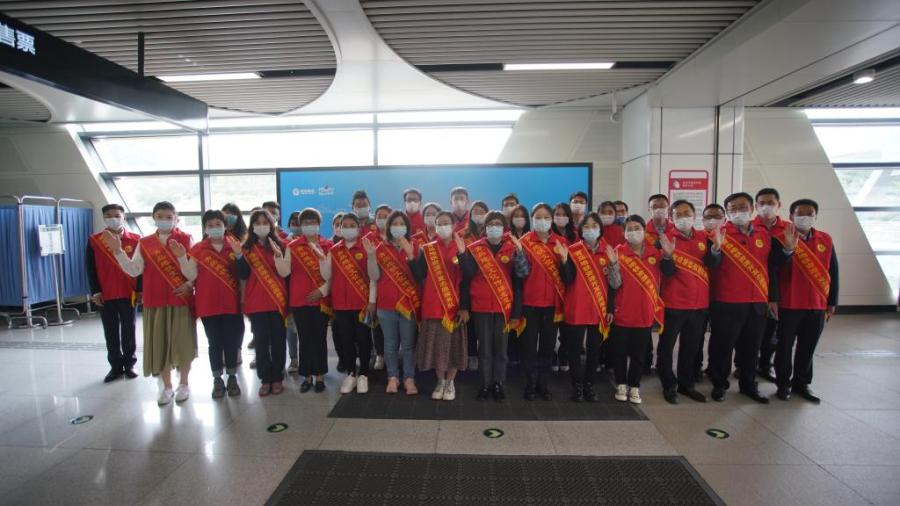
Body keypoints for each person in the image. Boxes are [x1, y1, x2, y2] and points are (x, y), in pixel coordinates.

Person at [707, 192, 797, 403]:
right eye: (733, 209)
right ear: (727, 212)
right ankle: (719, 384)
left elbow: (772, 267)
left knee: (751, 348)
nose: (738, 212)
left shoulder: (764, 235)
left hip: (757, 303)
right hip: (727, 302)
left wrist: (787, 250)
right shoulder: (717, 234)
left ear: (752, 209)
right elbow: (710, 264)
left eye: (742, 207)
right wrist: (716, 249)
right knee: (723, 348)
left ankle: (748, 385)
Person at [106, 201, 196, 406]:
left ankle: (184, 383)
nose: (164, 220)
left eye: (169, 217)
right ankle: (167, 386)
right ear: (153, 218)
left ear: (176, 219)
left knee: (184, 343)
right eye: (160, 217)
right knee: (159, 344)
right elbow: (134, 270)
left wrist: (188, 279)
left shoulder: (186, 239)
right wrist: (118, 251)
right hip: (155, 301)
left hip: (180, 299)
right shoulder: (145, 243)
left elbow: (193, 272)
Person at [173, 210, 244, 398]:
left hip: (232, 303)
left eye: (218, 225)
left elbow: (244, 273)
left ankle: (232, 377)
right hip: (208, 304)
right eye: (210, 225)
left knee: (231, 342)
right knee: (214, 343)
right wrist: (182, 257)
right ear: (205, 228)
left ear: (225, 226)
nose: (214, 228)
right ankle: (217, 379)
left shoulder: (235, 246)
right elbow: (191, 275)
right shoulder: (198, 249)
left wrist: (239, 255)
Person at [774, 199, 838, 403]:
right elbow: (774, 267)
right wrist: (788, 249)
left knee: (808, 346)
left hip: (817, 304)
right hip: (789, 303)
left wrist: (832, 300)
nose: (805, 217)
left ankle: (802, 383)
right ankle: (783, 384)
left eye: (809, 214)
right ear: (791, 216)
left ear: (815, 216)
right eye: (800, 214)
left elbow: (833, 271)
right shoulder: (781, 237)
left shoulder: (825, 239)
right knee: (784, 347)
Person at [460, 211, 529, 401]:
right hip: (481, 306)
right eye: (490, 224)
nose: (494, 227)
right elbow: (467, 278)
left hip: (504, 306)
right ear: (485, 227)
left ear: (504, 227)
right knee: (484, 349)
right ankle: (485, 383)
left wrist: (520, 253)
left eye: (498, 224)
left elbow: (521, 275)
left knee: (501, 350)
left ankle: (498, 382)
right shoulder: (475, 248)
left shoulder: (512, 247)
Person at [656, 200, 719, 404]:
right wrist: (667, 257)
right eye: (678, 214)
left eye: (687, 213)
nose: (683, 217)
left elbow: (712, 264)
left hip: (699, 305)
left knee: (691, 348)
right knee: (666, 347)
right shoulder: (664, 239)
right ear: (671, 218)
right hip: (673, 304)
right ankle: (668, 384)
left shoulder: (704, 238)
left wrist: (716, 250)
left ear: (694, 215)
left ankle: (686, 384)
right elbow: (665, 272)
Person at [412, 211, 470, 401]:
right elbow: (419, 275)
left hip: (454, 307)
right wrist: (412, 257)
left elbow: (468, 278)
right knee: (437, 347)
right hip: (432, 306)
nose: (443, 226)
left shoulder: (462, 246)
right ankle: (440, 381)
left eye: (446, 223)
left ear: (454, 226)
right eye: (439, 223)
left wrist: (464, 307)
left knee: (454, 347)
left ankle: (450, 382)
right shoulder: (427, 249)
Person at [606, 215, 663, 405]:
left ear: (644, 231)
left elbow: (666, 275)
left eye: (637, 228)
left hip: (645, 312)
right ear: (624, 233)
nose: (633, 232)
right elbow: (614, 284)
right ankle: (621, 384)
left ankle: (635, 385)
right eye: (629, 229)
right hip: (622, 312)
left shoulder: (655, 254)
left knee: (639, 354)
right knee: (619, 352)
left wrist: (668, 256)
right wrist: (613, 264)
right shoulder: (618, 252)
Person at [366, 211, 421, 394]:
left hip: (409, 304)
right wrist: (371, 256)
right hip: (386, 304)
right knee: (390, 345)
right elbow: (374, 276)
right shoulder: (380, 248)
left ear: (407, 226)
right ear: (389, 227)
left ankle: (409, 378)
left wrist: (410, 254)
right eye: (394, 224)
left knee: (408, 345)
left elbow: (421, 276)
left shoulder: (416, 246)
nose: (398, 227)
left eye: (401, 223)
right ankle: (393, 377)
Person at [560, 212, 612, 402]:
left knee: (594, 350)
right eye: (586, 226)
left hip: (599, 308)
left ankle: (589, 383)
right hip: (577, 306)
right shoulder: (573, 251)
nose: (590, 229)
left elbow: (613, 285)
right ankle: (577, 385)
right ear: (581, 230)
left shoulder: (608, 251)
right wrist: (564, 261)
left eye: (594, 226)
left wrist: (610, 308)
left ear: (600, 229)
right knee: (574, 349)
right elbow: (567, 279)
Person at [237, 209, 290, 397]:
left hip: (277, 300)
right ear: (251, 226)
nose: (261, 226)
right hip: (256, 301)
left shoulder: (281, 245)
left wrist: (277, 255)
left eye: (265, 222)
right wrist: (243, 300)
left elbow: (286, 274)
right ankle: (265, 378)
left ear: (271, 224)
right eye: (257, 223)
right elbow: (243, 276)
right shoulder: (246, 249)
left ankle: (278, 377)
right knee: (260, 342)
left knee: (278, 341)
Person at [518, 203, 568, 400]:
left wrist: (564, 261)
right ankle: (530, 383)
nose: (542, 221)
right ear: (532, 219)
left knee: (547, 347)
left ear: (552, 220)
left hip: (552, 305)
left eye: (546, 217)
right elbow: (519, 275)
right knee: (529, 347)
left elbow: (568, 277)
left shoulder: (561, 242)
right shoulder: (524, 242)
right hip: (529, 303)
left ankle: (543, 384)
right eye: (538, 217)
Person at [87, 204, 141, 383]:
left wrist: (140, 290)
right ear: (103, 218)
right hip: (106, 293)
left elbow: (140, 268)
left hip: (128, 292)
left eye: (117, 215)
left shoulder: (135, 239)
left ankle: (130, 364)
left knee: (129, 329)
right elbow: (90, 268)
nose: (113, 219)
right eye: (109, 216)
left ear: (124, 217)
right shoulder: (95, 241)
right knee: (110, 331)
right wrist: (95, 291)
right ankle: (115, 367)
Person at [322, 213, 375, 395]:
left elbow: (373, 278)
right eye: (345, 225)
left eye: (352, 225)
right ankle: (351, 373)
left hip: (362, 303)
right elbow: (327, 276)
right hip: (341, 304)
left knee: (364, 339)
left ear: (359, 228)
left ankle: (364, 374)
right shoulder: (334, 250)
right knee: (346, 339)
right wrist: (322, 260)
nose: (348, 228)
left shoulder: (366, 247)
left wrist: (372, 301)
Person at [285, 208, 333, 393]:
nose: (309, 225)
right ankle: (306, 376)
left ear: (319, 224)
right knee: (304, 339)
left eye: (313, 222)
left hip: (321, 300)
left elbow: (333, 275)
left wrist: (321, 291)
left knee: (319, 338)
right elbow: (285, 272)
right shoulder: (292, 247)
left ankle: (319, 375)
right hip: (300, 300)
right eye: (305, 222)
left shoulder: (328, 245)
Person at [753, 188, 790, 382]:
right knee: (751, 334)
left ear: (779, 205)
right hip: (754, 291)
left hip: (784, 290)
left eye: (770, 203)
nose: (766, 207)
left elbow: (774, 264)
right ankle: (744, 366)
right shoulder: (751, 228)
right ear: (756, 206)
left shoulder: (789, 230)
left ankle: (765, 365)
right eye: (762, 203)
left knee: (773, 334)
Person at [695, 203, 726, 381]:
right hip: (700, 296)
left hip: (724, 295)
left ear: (724, 218)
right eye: (708, 217)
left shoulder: (731, 238)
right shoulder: (698, 238)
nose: (712, 220)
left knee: (720, 337)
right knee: (696, 337)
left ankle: (715, 371)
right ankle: (695, 368)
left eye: (717, 216)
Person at [461, 200, 489, 369]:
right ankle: (471, 354)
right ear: (470, 215)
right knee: (470, 324)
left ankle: (485, 355)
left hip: (488, 284)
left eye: (482, 211)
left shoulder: (492, 234)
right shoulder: (463, 235)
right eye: (475, 211)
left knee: (485, 326)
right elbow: (456, 258)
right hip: (466, 282)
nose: (478, 214)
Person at [550, 202, 577, 373]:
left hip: (571, 287)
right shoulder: (547, 235)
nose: (560, 217)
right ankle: (552, 354)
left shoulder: (575, 236)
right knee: (551, 328)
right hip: (553, 288)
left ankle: (564, 353)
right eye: (557, 214)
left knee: (568, 328)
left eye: (564, 214)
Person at [285, 211, 302, 374]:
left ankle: (306, 359)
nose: (296, 226)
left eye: (299, 223)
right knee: (290, 329)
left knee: (305, 329)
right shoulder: (283, 243)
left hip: (306, 293)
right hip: (287, 291)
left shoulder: (311, 243)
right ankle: (293, 359)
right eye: (293, 223)